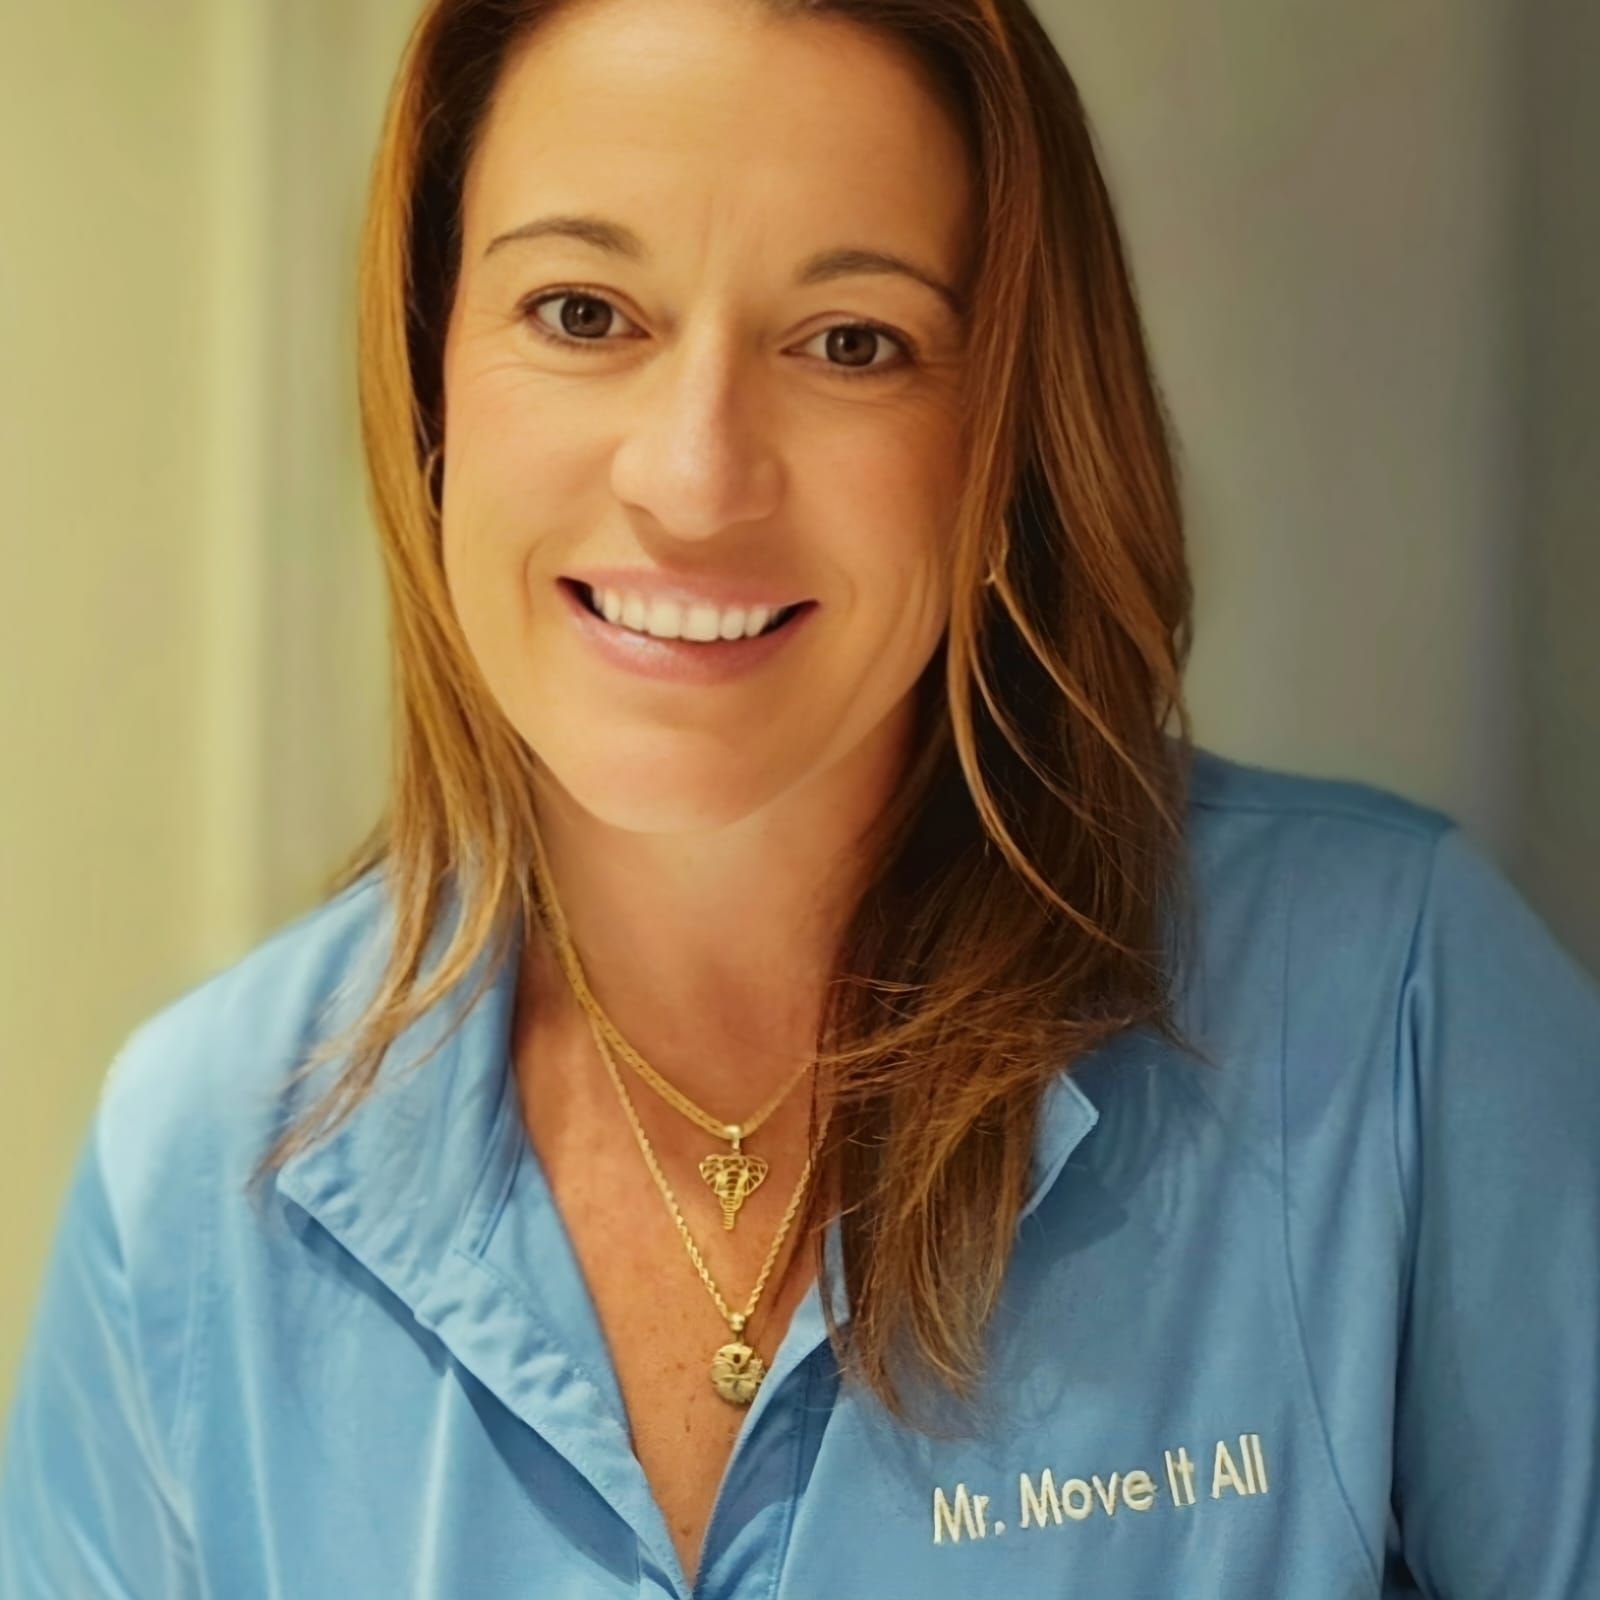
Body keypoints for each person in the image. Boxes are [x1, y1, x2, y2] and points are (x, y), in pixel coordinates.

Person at [3, 0, 1597, 1594]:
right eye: (580, 310)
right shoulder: (204, 1167)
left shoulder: (1391, 1012)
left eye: (853, 343)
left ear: (1002, 431)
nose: (693, 479)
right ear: (431, 376)